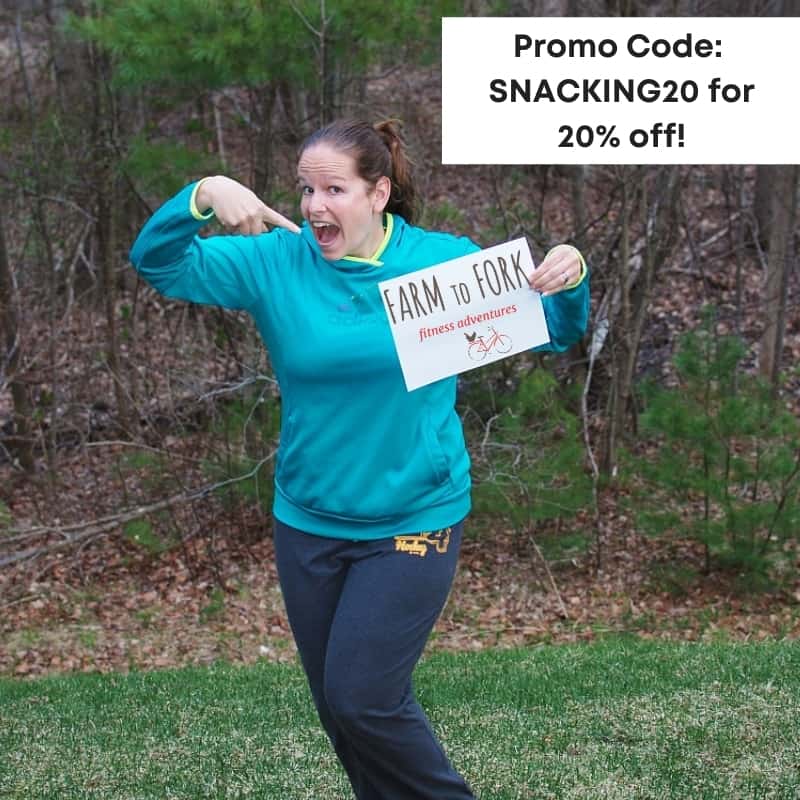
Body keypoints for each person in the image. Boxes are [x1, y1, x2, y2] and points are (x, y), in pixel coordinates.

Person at [130, 119, 589, 799]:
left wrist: (570, 272)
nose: (314, 206)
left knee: (362, 698)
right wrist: (201, 194)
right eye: (306, 190)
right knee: (343, 717)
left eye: (334, 189)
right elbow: (158, 263)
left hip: (414, 516)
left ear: (377, 194)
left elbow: (557, 330)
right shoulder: (275, 263)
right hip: (309, 522)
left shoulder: (442, 265)